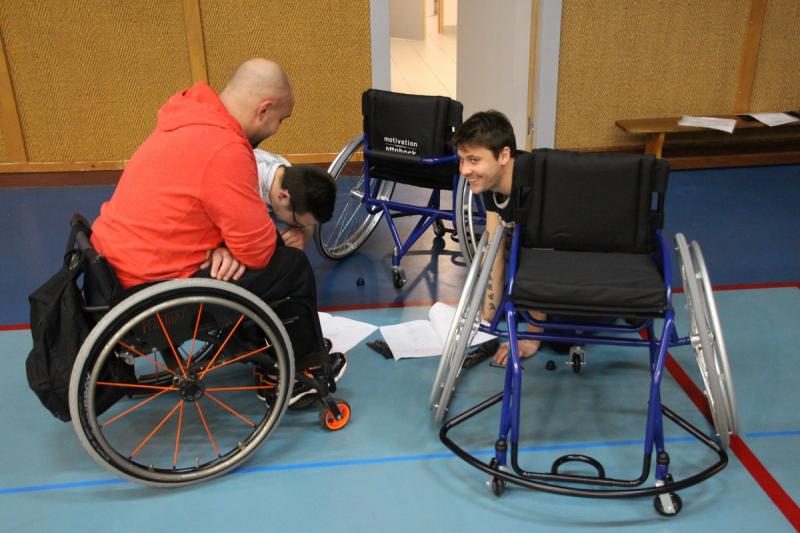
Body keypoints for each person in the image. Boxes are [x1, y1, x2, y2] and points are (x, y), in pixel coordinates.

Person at [90, 58, 343, 404]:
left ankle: (266, 345)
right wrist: (233, 245)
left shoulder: (188, 116)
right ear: (264, 110)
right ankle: (301, 368)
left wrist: (223, 244)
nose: (276, 130)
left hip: (111, 267)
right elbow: (257, 250)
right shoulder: (226, 149)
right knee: (290, 266)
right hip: (150, 290)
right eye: (279, 120)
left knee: (249, 262)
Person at [451, 110, 546, 366]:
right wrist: (486, 322)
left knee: (560, 341)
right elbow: (494, 251)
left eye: (473, 160)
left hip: (570, 269)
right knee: (505, 310)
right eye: (462, 160)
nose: (465, 170)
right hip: (538, 267)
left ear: (504, 155)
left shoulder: (535, 186)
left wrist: (532, 337)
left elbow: (545, 262)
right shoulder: (492, 183)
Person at [253, 149, 333, 250]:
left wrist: (304, 234)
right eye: (296, 222)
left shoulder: (288, 175)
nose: (299, 226)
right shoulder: (249, 190)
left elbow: (307, 221)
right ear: (283, 196)